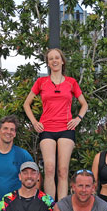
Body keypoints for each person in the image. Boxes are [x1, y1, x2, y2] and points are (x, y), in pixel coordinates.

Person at [23, 48, 88, 201]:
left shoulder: (71, 82)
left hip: (66, 128)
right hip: (47, 129)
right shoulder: (41, 82)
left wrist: (78, 118)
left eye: (57, 57)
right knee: (49, 168)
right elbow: (26, 104)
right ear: (48, 63)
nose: (54, 60)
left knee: (63, 170)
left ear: (62, 61)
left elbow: (84, 104)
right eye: (51, 58)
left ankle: (63, 208)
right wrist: (34, 122)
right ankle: (50, 208)